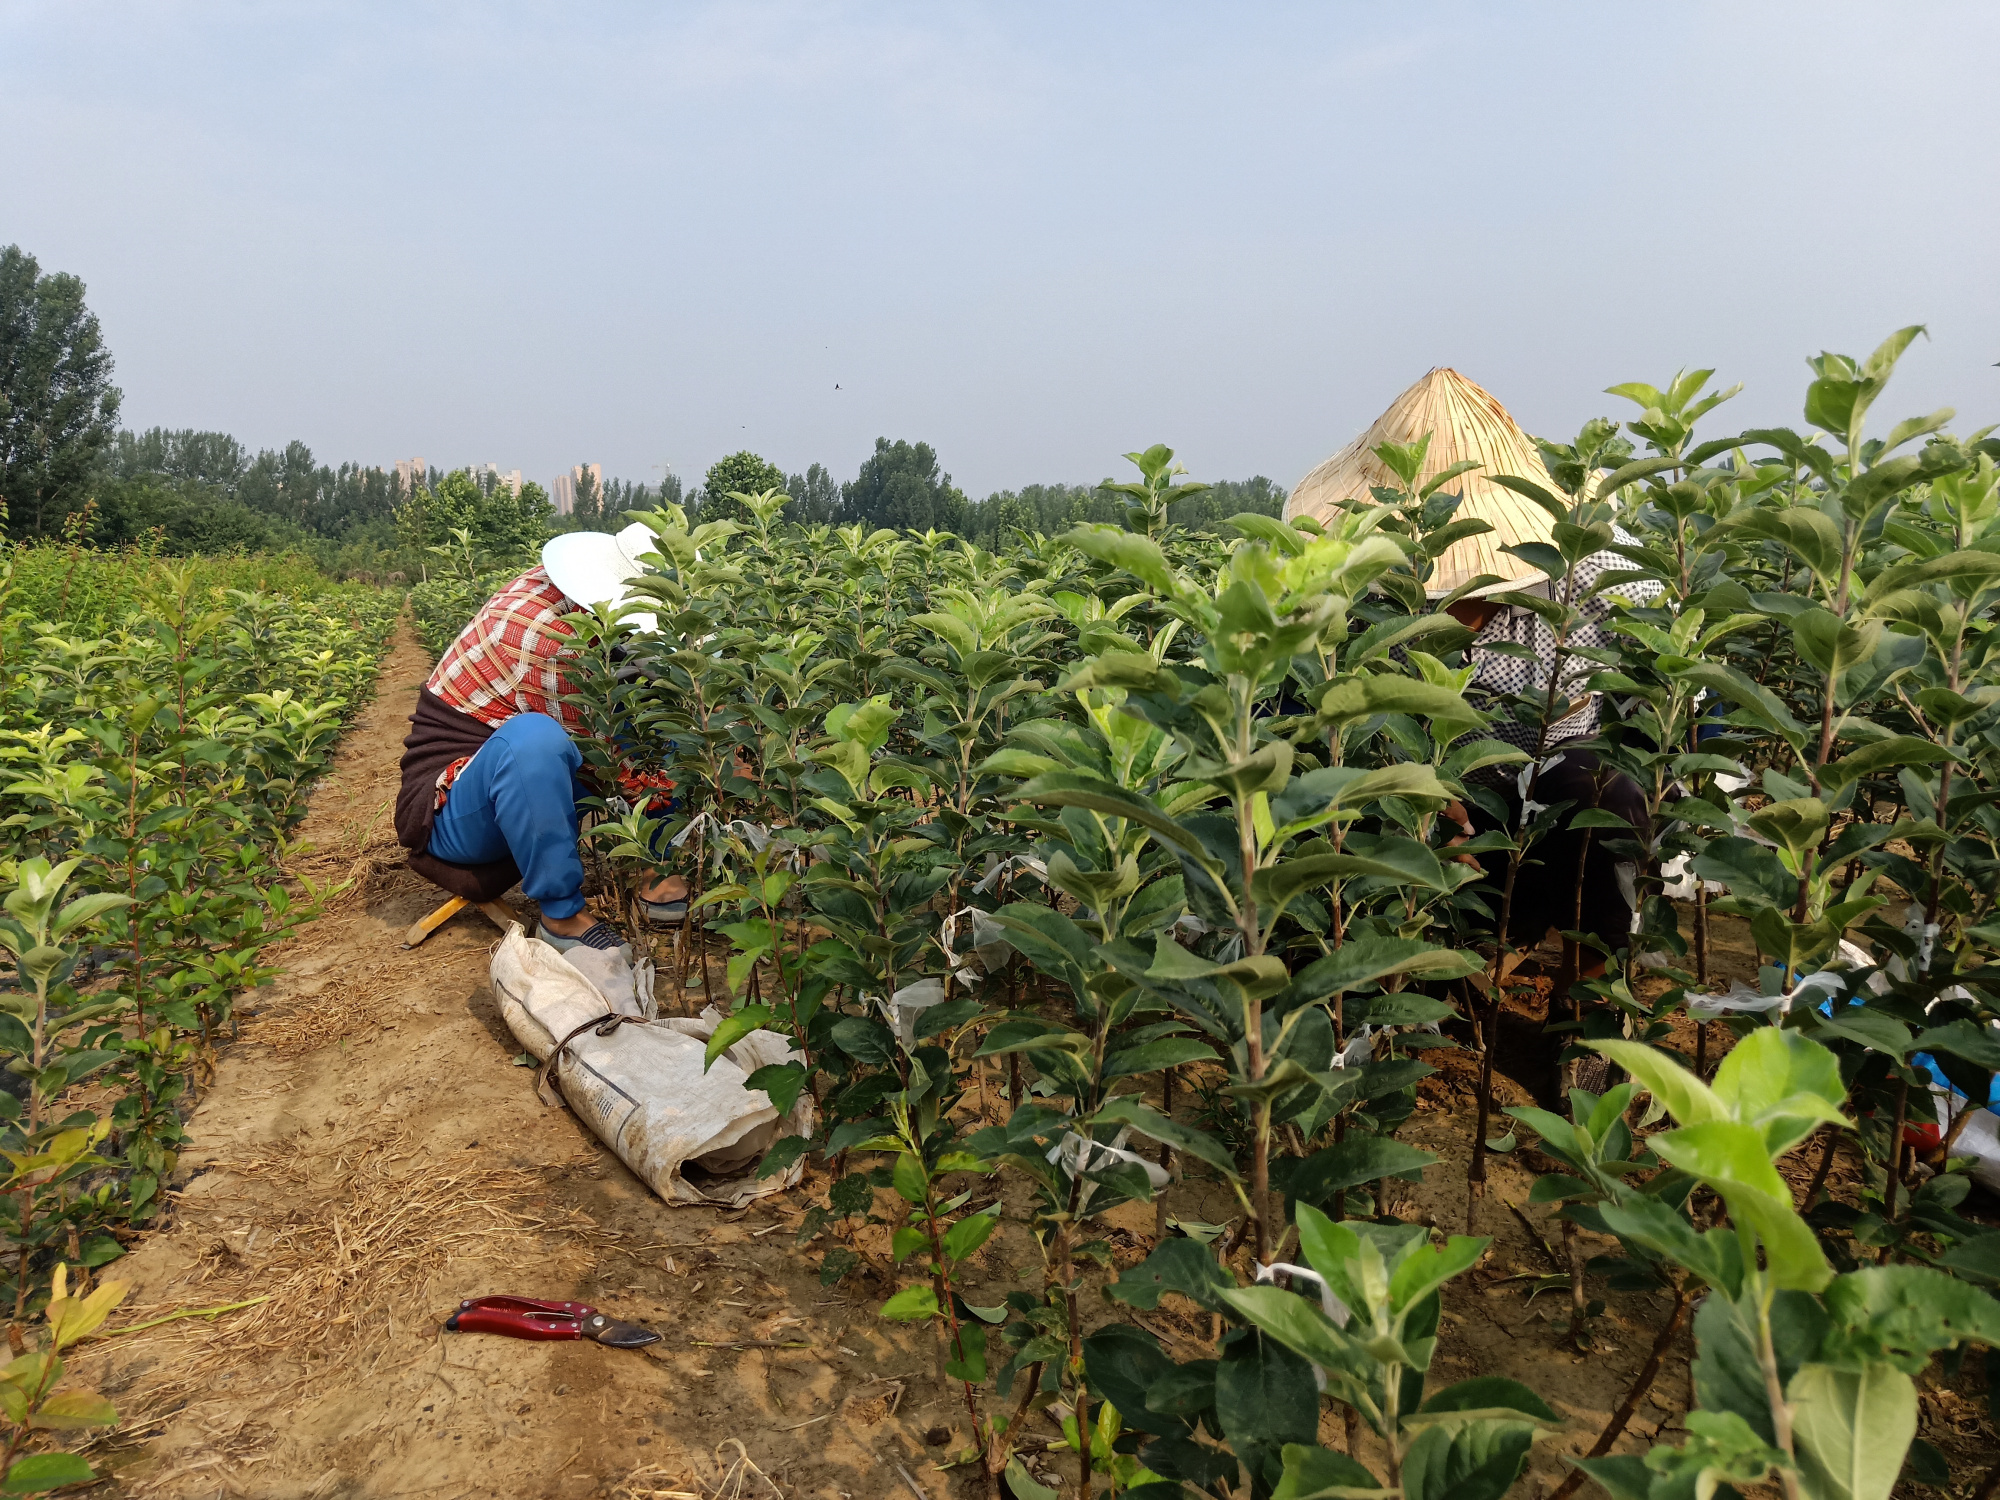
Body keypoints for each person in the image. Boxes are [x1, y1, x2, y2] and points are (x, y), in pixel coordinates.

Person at [395, 522, 686, 954]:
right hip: (458, 808)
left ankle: (656, 865)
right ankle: (561, 913)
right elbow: (601, 752)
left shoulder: (577, 599)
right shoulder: (543, 638)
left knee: (664, 703)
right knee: (536, 738)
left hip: (522, 786)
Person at [1438, 530, 1662, 977]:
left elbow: (1676, 694)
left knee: (1605, 793)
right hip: (1448, 813)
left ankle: (1588, 996)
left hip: (1561, 807)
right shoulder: (1375, 594)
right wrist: (1432, 815)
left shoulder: (1601, 579)